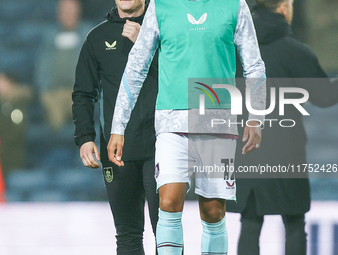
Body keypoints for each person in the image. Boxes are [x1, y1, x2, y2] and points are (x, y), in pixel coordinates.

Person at [107, 0, 266, 254]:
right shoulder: (161, 7)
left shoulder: (235, 6)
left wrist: (256, 117)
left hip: (216, 119)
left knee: (213, 211)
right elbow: (136, 65)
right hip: (171, 120)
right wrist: (118, 125)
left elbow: (254, 63)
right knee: (168, 202)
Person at [226, 0, 338, 254]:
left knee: (251, 222)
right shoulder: (296, 51)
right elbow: (324, 97)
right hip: (288, 152)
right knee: (295, 222)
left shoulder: (234, 49)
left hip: (246, 147)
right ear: (284, 7)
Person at [72, 0, 159, 254]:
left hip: (162, 144)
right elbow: (83, 93)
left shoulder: (162, 31)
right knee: (128, 234)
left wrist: (147, 43)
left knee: (166, 230)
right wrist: (85, 137)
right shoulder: (97, 37)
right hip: (118, 151)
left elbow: (182, 75)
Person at [35, 0, 92, 131]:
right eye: (64, 12)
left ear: (78, 13)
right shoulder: (49, 35)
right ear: (58, 14)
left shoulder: (88, 33)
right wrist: (44, 89)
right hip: (54, 92)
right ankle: (56, 143)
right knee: (54, 114)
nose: (68, 15)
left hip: (79, 92)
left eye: (71, 12)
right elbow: (42, 65)